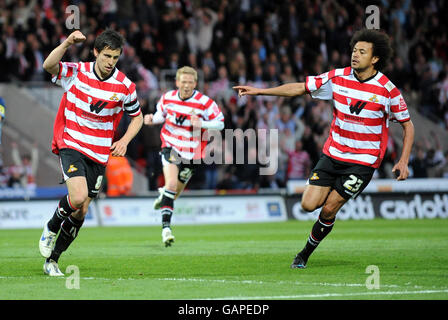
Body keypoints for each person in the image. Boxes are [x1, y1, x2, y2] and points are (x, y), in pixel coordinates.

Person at [234, 29, 415, 269]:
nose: (355, 55)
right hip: (333, 154)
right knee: (308, 205)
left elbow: (407, 125)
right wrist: (260, 92)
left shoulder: (387, 90)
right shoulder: (337, 78)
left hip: (363, 162)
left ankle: (304, 254)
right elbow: (300, 87)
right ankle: (324, 215)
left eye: (362, 52)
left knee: (329, 207)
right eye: (354, 50)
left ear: (375, 59)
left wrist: (403, 160)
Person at [39, 29, 143, 276]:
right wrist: (66, 42)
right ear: (96, 52)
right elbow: (48, 65)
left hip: (99, 153)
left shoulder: (125, 86)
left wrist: (125, 140)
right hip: (72, 143)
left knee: (82, 209)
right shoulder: (77, 72)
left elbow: (137, 117)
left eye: (115, 58)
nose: (110, 62)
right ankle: (51, 227)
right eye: (107, 56)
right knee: (77, 197)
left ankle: (52, 260)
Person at [143, 66, 224, 246]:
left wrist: (202, 122)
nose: (186, 85)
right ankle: (166, 230)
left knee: (175, 193)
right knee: (171, 184)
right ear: (177, 82)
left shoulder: (205, 102)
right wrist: (152, 119)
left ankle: (163, 196)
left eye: (190, 82)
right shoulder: (168, 98)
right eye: (183, 82)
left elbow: (220, 123)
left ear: (195, 83)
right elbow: (160, 115)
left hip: (193, 153)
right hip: (170, 145)